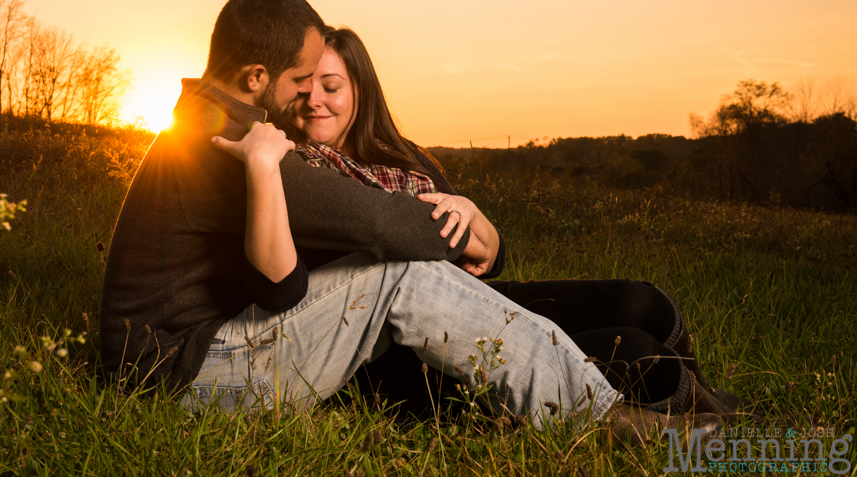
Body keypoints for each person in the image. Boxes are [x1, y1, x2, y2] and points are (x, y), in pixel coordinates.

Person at [278, 25, 741, 422]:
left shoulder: (403, 159)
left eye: (331, 87)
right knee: (636, 352)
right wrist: (458, 233)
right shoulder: (295, 170)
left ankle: (713, 402)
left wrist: (475, 217)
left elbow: (490, 257)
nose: (314, 100)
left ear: (360, 89)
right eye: (303, 88)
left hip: (473, 298)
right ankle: (686, 423)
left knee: (641, 302)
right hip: (403, 347)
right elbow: (426, 244)